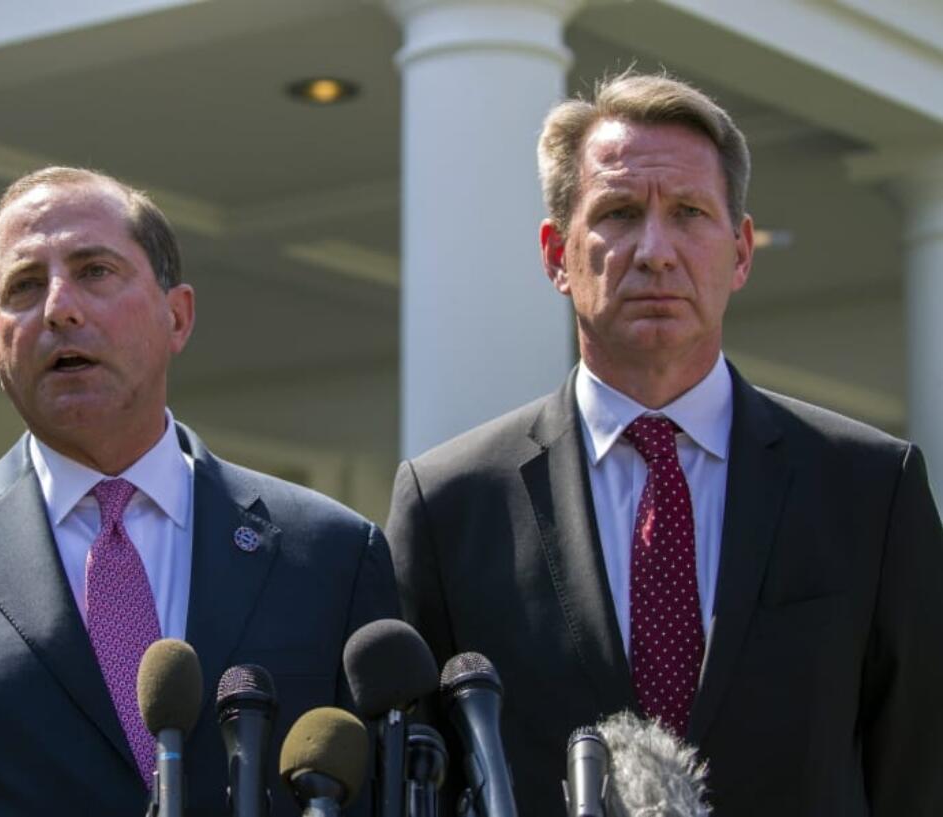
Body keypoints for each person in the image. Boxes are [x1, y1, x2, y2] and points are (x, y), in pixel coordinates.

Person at [386, 73, 943, 815]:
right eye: (617, 213)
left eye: (688, 213)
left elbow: (920, 775)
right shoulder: (449, 506)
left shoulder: (872, 488)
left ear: (741, 252)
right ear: (556, 255)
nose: (655, 250)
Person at [0, 167, 399, 816]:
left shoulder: (332, 555)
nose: (60, 306)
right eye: (24, 286)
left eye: (94, 270)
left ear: (178, 316)